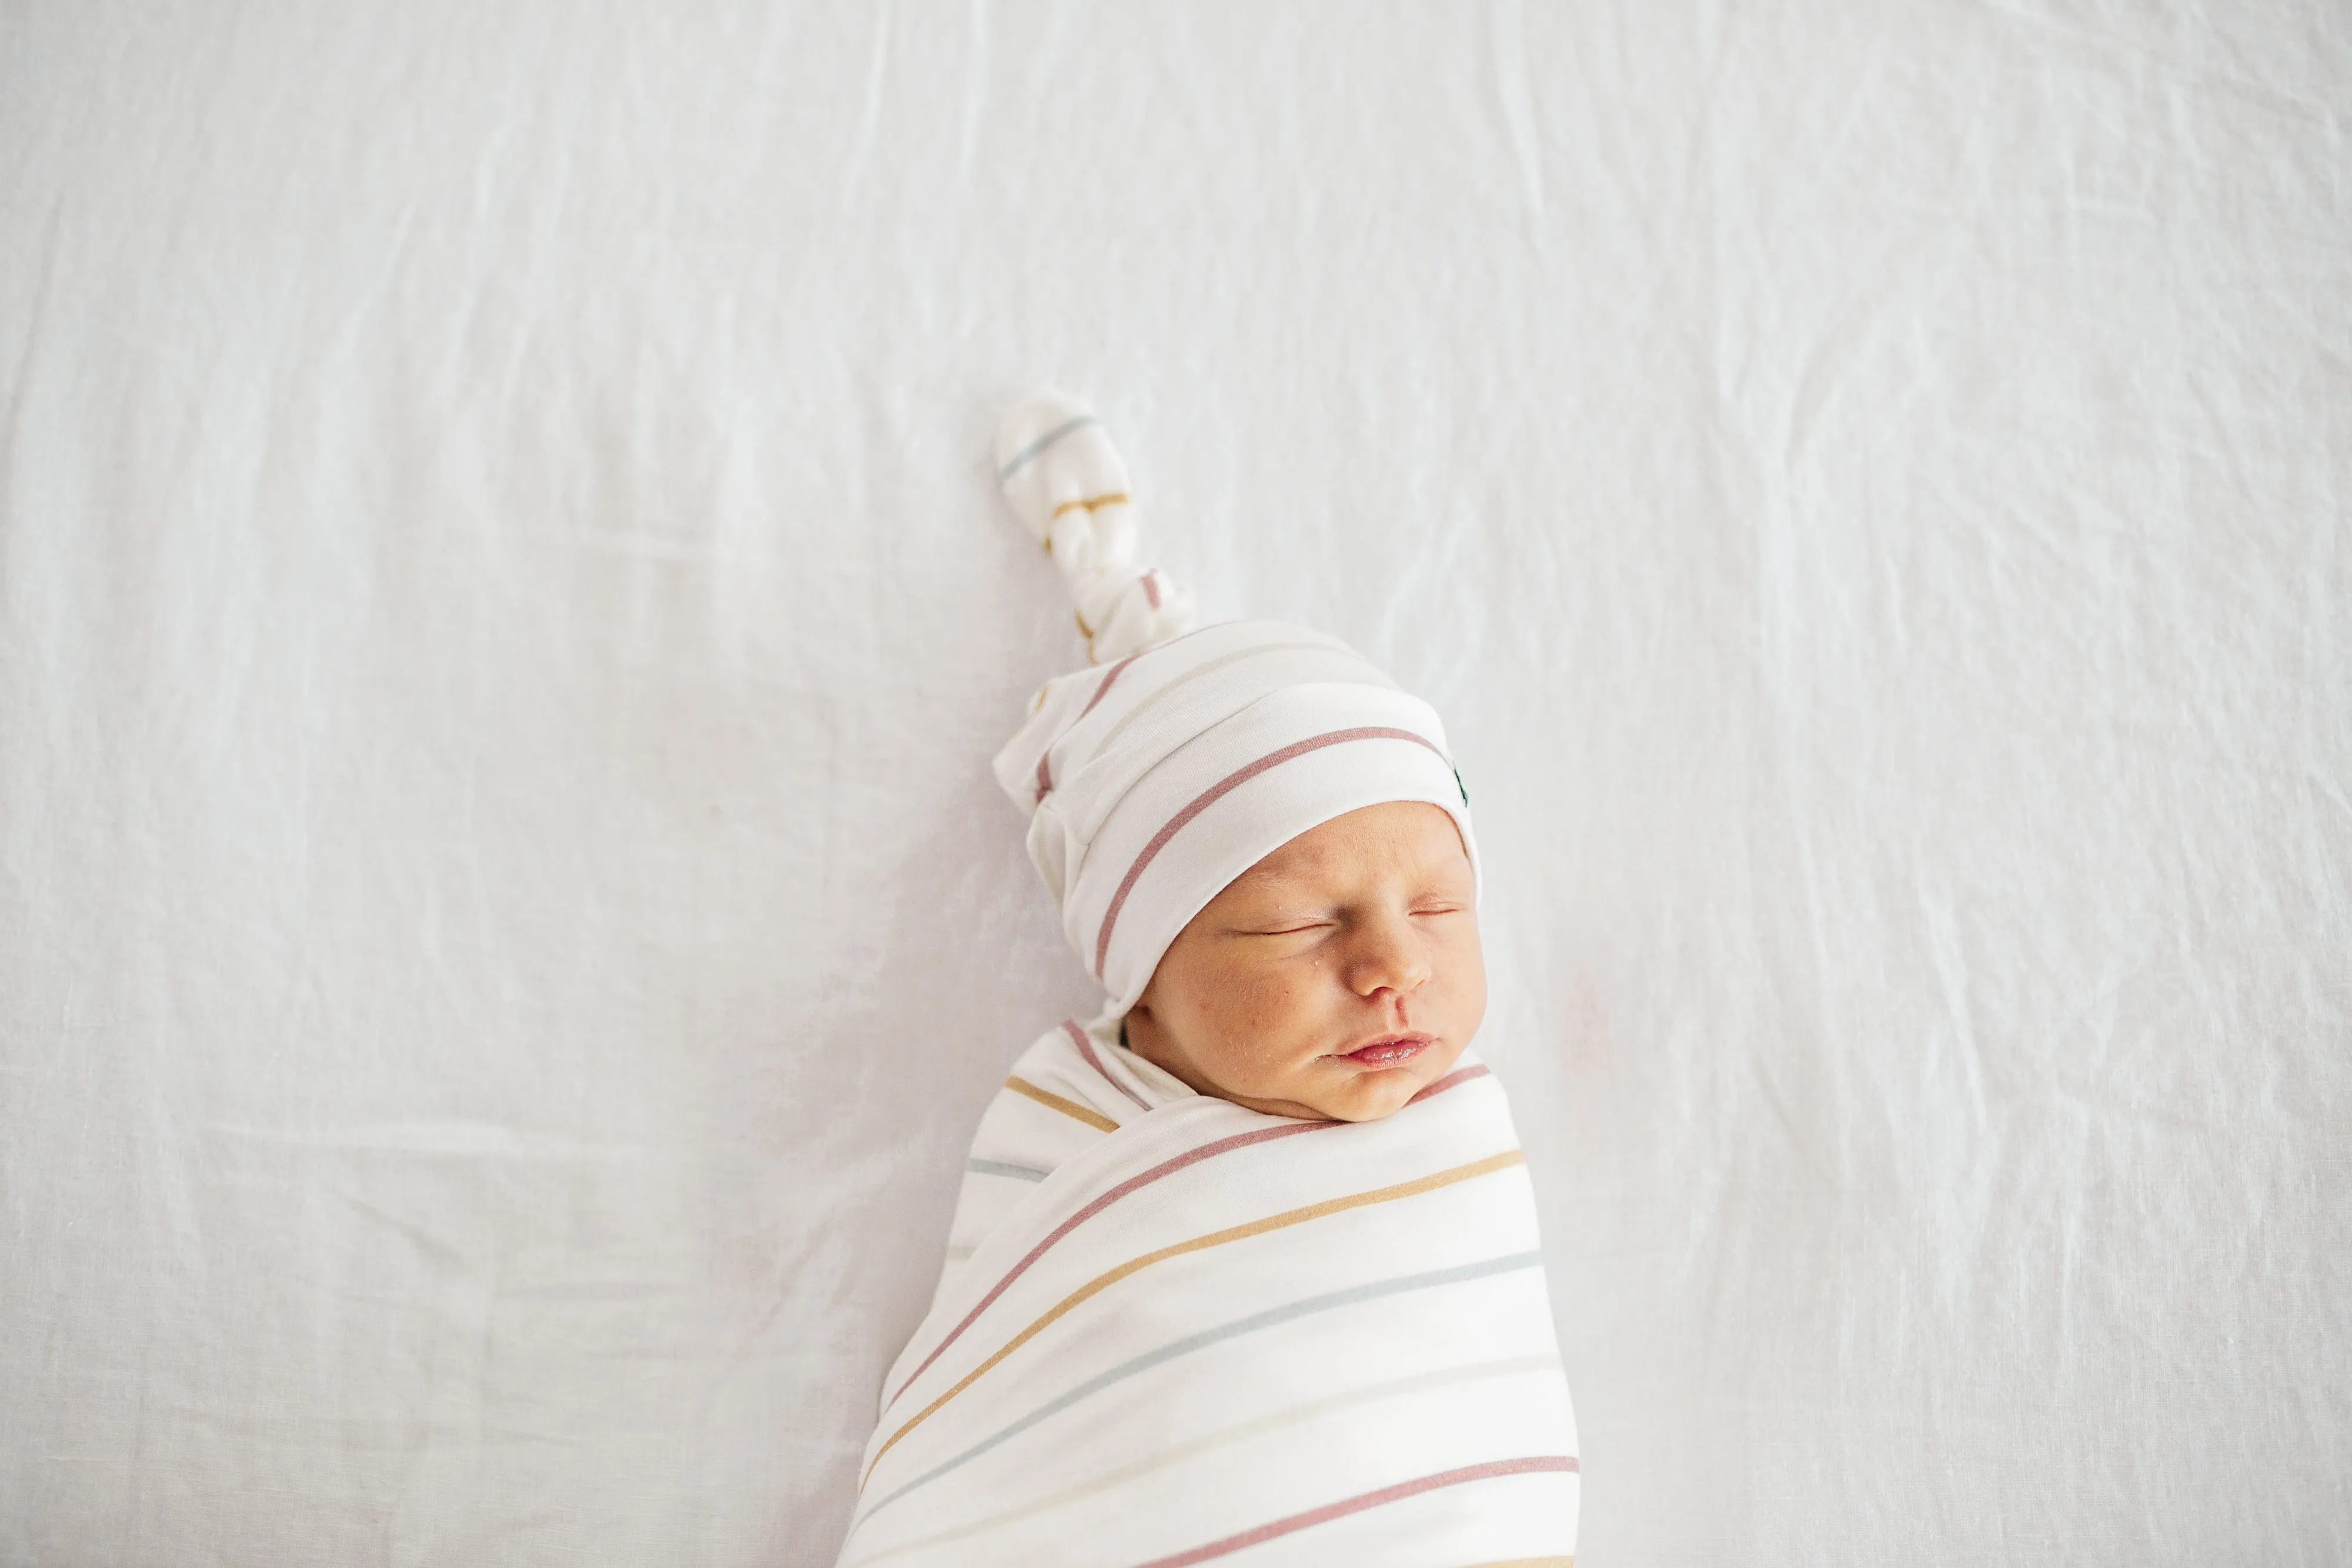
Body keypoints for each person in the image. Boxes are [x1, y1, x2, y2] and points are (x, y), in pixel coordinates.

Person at [834, 394, 1578, 1567]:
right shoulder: (1066, 1133)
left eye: (1439, 906)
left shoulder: (1454, 1149)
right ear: (1142, 968)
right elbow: (1005, 1441)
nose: (1394, 965)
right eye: (1299, 923)